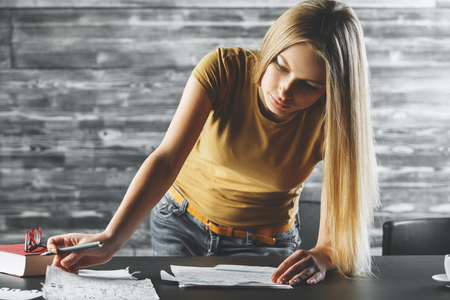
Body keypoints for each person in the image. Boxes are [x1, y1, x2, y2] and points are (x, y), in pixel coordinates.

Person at [47, 0, 379, 286]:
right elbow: (166, 161)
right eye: (280, 66)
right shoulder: (223, 69)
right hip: (179, 224)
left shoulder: (332, 120)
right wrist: (110, 239)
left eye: (309, 85)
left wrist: (324, 255)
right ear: (271, 46)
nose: (284, 91)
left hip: (266, 244)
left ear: (330, 90)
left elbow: (335, 235)